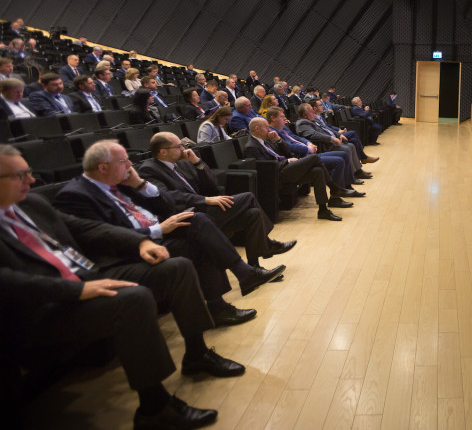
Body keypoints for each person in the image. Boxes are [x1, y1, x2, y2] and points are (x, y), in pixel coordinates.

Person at [0, 145, 231, 430]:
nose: (32, 180)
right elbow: (7, 281)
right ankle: (154, 408)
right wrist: (76, 291)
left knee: (177, 267)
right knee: (134, 299)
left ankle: (197, 354)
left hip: (85, 276)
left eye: (29, 172)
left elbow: (86, 228)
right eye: (19, 175)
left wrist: (140, 241)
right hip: (43, 306)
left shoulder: (30, 204)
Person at [53, 140, 285, 325]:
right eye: (123, 161)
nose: (130, 164)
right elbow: (104, 236)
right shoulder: (75, 195)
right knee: (199, 224)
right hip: (135, 247)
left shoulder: (123, 182)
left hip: (159, 230)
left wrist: (140, 184)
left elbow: (166, 204)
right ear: (103, 167)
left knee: (200, 224)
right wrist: (157, 229)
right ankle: (238, 280)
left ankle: (226, 298)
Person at [139, 132, 296, 267]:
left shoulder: (182, 163)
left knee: (252, 214)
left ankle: (254, 266)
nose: (183, 149)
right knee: (248, 197)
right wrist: (205, 200)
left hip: (201, 211)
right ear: (163, 152)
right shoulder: (149, 169)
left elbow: (213, 184)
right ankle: (267, 245)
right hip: (186, 217)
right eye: (178, 146)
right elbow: (167, 195)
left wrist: (197, 163)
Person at [242, 117, 346, 221]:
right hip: (276, 175)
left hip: (286, 170)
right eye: (266, 127)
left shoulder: (268, 140)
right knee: (314, 158)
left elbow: (287, 152)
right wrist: (287, 161)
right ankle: (334, 188)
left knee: (317, 171)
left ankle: (323, 210)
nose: (269, 130)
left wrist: (278, 140)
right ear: (257, 128)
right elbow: (264, 168)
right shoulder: (251, 147)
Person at [266, 107, 363, 192]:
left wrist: (309, 143)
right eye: (282, 116)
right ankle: (338, 192)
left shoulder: (284, 128)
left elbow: (297, 137)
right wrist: (308, 149)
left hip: (310, 153)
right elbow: (290, 146)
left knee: (344, 154)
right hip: (301, 158)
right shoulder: (273, 134)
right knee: (339, 161)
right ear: (273, 118)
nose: (285, 119)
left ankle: (347, 186)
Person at [295, 101, 374, 179]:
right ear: (304, 115)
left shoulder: (312, 120)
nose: (313, 112)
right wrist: (332, 139)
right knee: (347, 148)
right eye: (311, 111)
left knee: (351, 145)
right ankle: (351, 176)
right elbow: (315, 134)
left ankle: (358, 171)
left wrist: (339, 134)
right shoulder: (302, 123)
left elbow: (327, 128)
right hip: (324, 145)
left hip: (330, 141)